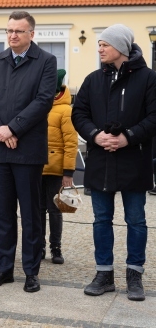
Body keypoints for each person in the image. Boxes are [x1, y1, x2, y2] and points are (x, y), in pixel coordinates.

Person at [72, 24, 156, 301]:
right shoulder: (93, 79)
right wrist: (96, 136)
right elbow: (79, 113)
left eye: (105, 44)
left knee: (136, 220)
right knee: (101, 220)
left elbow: (154, 116)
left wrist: (127, 137)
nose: (100, 49)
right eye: (99, 44)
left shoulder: (148, 79)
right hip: (101, 161)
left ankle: (134, 274)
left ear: (120, 47)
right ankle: (104, 273)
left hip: (134, 159)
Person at [0, 11, 56, 293]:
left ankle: (31, 272)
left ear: (31, 34)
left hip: (27, 150)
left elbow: (43, 100)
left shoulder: (46, 61)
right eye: (9, 30)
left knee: (31, 214)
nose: (12, 35)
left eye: (19, 31)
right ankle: (4, 269)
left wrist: (14, 129)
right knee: (3, 212)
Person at [40, 69, 78, 264]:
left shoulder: (65, 110)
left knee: (55, 211)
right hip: (35, 167)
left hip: (55, 169)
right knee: (37, 211)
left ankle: (56, 248)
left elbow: (71, 143)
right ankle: (38, 247)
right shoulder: (37, 105)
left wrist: (68, 172)